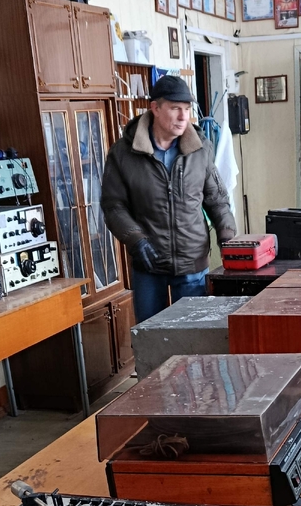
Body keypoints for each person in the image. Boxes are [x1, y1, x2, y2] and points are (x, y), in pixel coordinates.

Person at [101, 74, 237, 322]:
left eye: (187, 109)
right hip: (148, 262)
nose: (184, 116)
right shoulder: (123, 153)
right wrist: (135, 240)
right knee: (150, 335)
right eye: (175, 108)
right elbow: (113, 205)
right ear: (155, 108)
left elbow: (217, 200)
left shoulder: (200, 149)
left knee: (194, 335)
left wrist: (228, 239)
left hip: (192, 263)